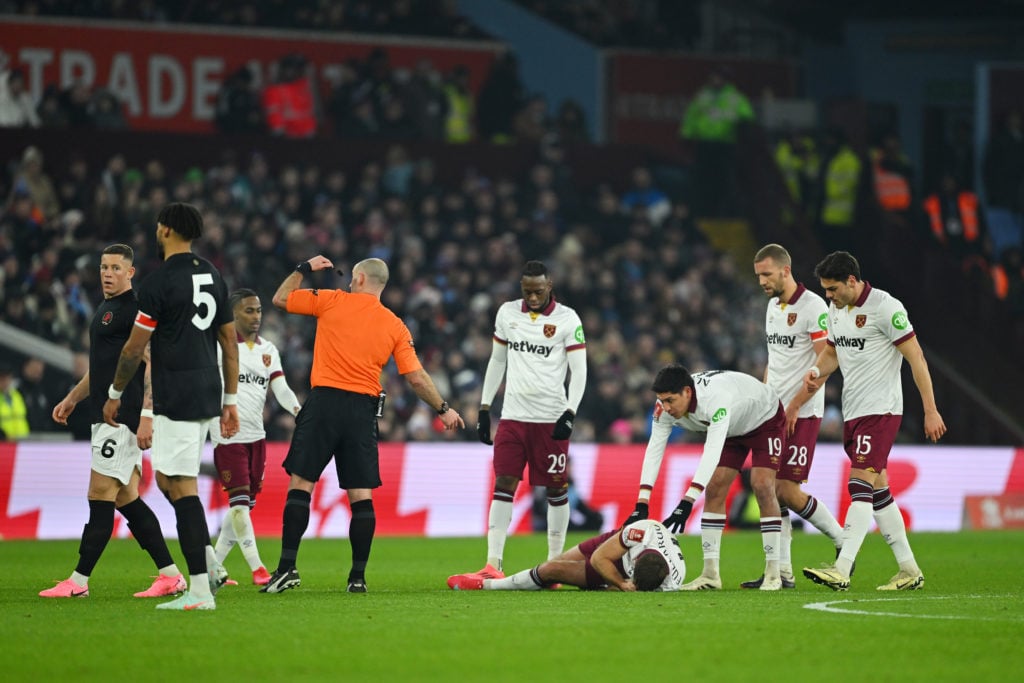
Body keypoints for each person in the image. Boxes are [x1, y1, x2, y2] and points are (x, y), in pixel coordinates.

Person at [263, 256, 464, 594]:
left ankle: (286, 569)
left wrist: (304, 268)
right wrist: (443, 408)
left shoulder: (331, 300)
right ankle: (357, 578)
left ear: (356, 278)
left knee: (301, 485)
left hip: (324, 403)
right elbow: (415, 377)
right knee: (360, 496)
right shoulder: (395, 324)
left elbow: (280, 299)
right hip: (362, 410)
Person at [103, 203, 240, 611]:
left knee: (181, 487)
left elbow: (133, 349)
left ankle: (199, 590)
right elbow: (229, 342)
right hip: (205, 390)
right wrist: (229, 400)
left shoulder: (159, 282)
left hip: (176, 392)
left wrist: (114, 392)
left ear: (164, 230)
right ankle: (212, 565)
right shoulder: (213, 274)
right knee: (166, 479)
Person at [43, 243, 186, 599]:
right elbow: (103, 369)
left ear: (130, 272)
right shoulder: (106, 309)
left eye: (115, 268)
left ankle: (78, 582)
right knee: (127, 499)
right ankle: (170, 575)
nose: (107, 273)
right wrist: (72, 399)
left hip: (122, 419)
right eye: (104, 267)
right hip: (104, 415)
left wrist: (147, 416)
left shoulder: (136, 309)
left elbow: (151, 361)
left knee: (100, 495)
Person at [799, 251, 946, 591]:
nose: (828, 296)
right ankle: (909, 570)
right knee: (879, 490)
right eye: (825, 290)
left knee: (859, 484)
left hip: (881, 410)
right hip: (854, 411)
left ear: (853, 280)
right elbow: (833, 353)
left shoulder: (886, 308)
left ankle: (842, 568)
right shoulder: (837, 311)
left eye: (833, 289)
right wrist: (816, 372)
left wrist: (930, 409)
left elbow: (916, 357)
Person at [447, 260, 587, 587]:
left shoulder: (568, 319)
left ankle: (554, 565)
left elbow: (579, 370)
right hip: (512, 416)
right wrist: (484, 407)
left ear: (550, 284)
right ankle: (492, 563)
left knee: (556, 489)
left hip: (550, 418)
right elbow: (498, 359)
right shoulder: (508, 313)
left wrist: (570, 412)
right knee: (504, 483)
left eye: (538, 291)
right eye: (527, 291)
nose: (533, 297)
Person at [623, 364, 786, 591]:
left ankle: (773, 573)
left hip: (764, 417)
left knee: (761, 485)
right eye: (662, 400)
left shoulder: (715, 400)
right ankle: (710, 575)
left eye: (670, 400)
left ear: (687, 392)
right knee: (716, 486)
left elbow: (712, 451)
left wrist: (688, 500)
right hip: (732, 427)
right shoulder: (663, 407)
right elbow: (655, 449)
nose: (666, 407)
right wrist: (642, 501)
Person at [746, 244, 844, 589]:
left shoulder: (815, 307)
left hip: (801, 412)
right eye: (759, 275)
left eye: (767, 274)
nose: (762, 281)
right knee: (768, 487)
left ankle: (842, 540)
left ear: (785, 271)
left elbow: (825, 365)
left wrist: (797, 404)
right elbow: (775, 359)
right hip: (773, 412)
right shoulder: (772, 306)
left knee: (785, 489)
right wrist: (763, 397)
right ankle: (781, 570)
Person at [212, 288, 302, 586]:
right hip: (228, 433)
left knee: (243, 507)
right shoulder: (219, 347)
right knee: (239, 503)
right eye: (249, 311)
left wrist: (298, 411)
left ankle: (214, 567)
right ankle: (258, 568)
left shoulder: (268, 349)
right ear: (233, 314)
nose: (256, 317)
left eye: (259, 310)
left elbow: (280, 388)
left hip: (257, 437)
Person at [448, 519, 685, 592]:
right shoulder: (638, 532)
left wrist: (619, 585)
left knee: (551, 571)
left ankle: (488, 585)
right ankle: (591, 584)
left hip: (627, 563)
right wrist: (623, 583)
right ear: (636, 559)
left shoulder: (673, 579)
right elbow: (599, 558)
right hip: (614, 544)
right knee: (557, 562)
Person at [0, 363, 29, 440]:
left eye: (7, 378)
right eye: (2, 379)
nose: (5, 382)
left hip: (22, 442)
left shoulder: (17, 396)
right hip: (4, 443)